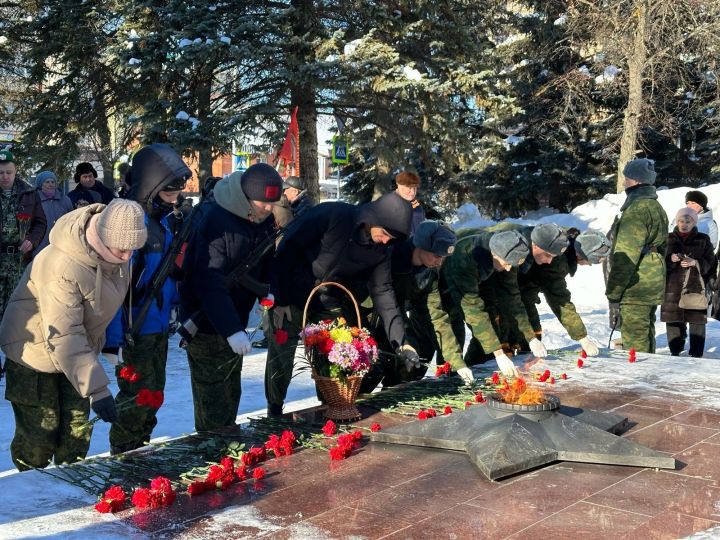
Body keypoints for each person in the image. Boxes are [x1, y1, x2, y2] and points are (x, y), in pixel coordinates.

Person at [0, 199, 147, 470]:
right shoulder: (62, 265)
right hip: (34, 354)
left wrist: (112, 344)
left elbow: (110, 306)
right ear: (102, 237)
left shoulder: (116, 257)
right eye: (122, 248)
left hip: (77, 353)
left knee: (76, 433)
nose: (128, 256)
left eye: (132, 249)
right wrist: (97, 389)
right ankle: (35, 496)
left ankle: (73, 490)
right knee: (39, 439)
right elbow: (65, 332)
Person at [265, 191, 417, 416]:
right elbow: (287, 250)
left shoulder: (380, 251)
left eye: (391, 239)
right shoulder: (333, 215)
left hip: (329, 302)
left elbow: (383, 293)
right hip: (292, 297)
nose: (386, 241)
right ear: (373, 219)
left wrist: (400, 342)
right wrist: (280, 299)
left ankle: (331, 406)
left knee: (339, 354)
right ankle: (274, 409)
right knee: (281, 354)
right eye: (385, 233)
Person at [179, 164, 283, 432]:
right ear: (247, 198)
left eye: (274, 203)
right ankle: (212, 450)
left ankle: (225, 442)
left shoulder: (263, 219)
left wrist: (267, 289)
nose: (270, 209)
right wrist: (231, 330)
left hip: (235, 318)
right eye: (264, 203)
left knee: (230, 390)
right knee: (212, 397)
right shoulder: (216, 220)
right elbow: (208, 280)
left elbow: (267, 258)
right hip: (205, 322)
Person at [104, 143, 192, 454]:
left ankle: (140, 447)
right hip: (133, 328)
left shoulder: (163, 220)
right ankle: (124, 454)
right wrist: (112, 339)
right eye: (169, 193)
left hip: (156, 326)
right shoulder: (131, 221)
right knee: (135, 396)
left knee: (154, 393)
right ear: (151, 186)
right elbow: (114, 283)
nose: (176, 198)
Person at [360, 220, 457, 391]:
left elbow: (436, 315)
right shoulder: (391, 255)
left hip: (394, 318)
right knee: (368, 369)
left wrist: (457, 362)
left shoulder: (428, 273)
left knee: (409, 361)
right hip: (366, 316)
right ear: (422, 246)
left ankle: (392, 398)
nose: (439, 262)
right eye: (436, 255)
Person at [427, 228, 532, 382]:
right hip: (439, 296)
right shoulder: (466, 257)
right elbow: (472, 308)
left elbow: (509, 295)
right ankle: (445, 383)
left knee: (486, 332)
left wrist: (530, 336)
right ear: (495, 253)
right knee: (451, 339)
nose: (508, 268)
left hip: (463, 293)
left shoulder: (503, 252)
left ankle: (463, 374)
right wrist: (498, 352)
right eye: (507, 263)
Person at [508, 228, 610, 357]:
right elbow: (559, 299)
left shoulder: (561, 247)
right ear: (580, 255)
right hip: (507, 295)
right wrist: (582, 337)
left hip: (524, 294)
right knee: (501, 341)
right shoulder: (558, 260)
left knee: (532, 338)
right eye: (590, 261)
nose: (589, 265)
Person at [606, 158, 668, 353]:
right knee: (645, 332)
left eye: (628, 178)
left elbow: (626, 256)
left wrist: (614, 292)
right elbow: (664, 246)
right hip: (651, 280)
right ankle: (649, 379)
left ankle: (639, 381)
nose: (625, 182)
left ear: (637, 181)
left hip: (636, 284)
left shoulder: (636, 210)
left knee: (635, 342)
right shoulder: (656, 206)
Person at [661, 208, 715, 357]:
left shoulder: (703, 239)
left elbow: (711, 262)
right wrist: (669, 260)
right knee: (673, 320)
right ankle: (675, 351)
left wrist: (695, 262)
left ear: (694, 222)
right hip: (671, 287)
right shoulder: (668, 238)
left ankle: (696, 354)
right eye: (681, 221)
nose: (684, 224)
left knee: (696, 320)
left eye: (688, 221)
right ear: (676, 222)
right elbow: (657, 263)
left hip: (695, 287)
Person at [0, 149, 47, 319]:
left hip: (19, 259)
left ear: (15, 171)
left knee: (15, 307)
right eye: (1, 173)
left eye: (8, 172)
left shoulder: (29, 193)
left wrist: (32, 241)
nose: (4, 176)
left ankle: (9, 344)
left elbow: (40, 223)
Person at [32, 170, 74, 256]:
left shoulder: (65, 200)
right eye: (47, 182)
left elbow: (71, 219)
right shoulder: (34, 200)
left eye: (53, 182)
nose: (50, 184)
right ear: (40, 184)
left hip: (61, 243)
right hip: (40, 244)